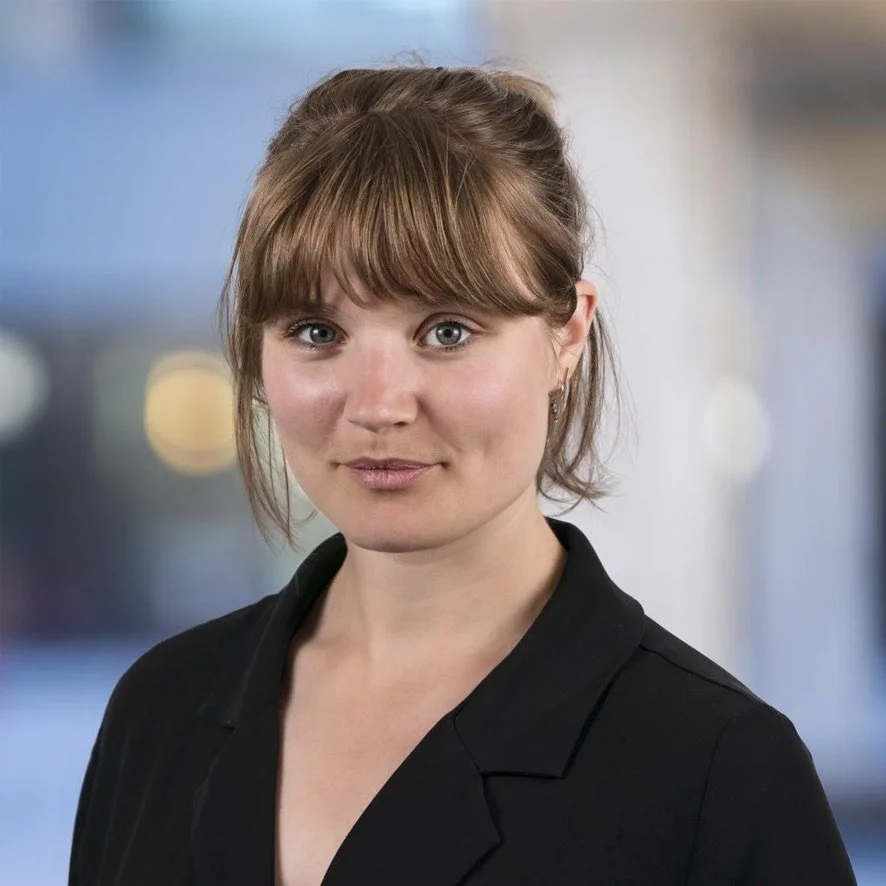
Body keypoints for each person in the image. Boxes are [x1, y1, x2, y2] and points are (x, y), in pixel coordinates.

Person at [69, 63, 857, 886]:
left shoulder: (716, 770)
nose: (378, 405)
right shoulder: (160, 712)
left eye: (446, 331)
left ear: (567, 335)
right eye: (317, 332)